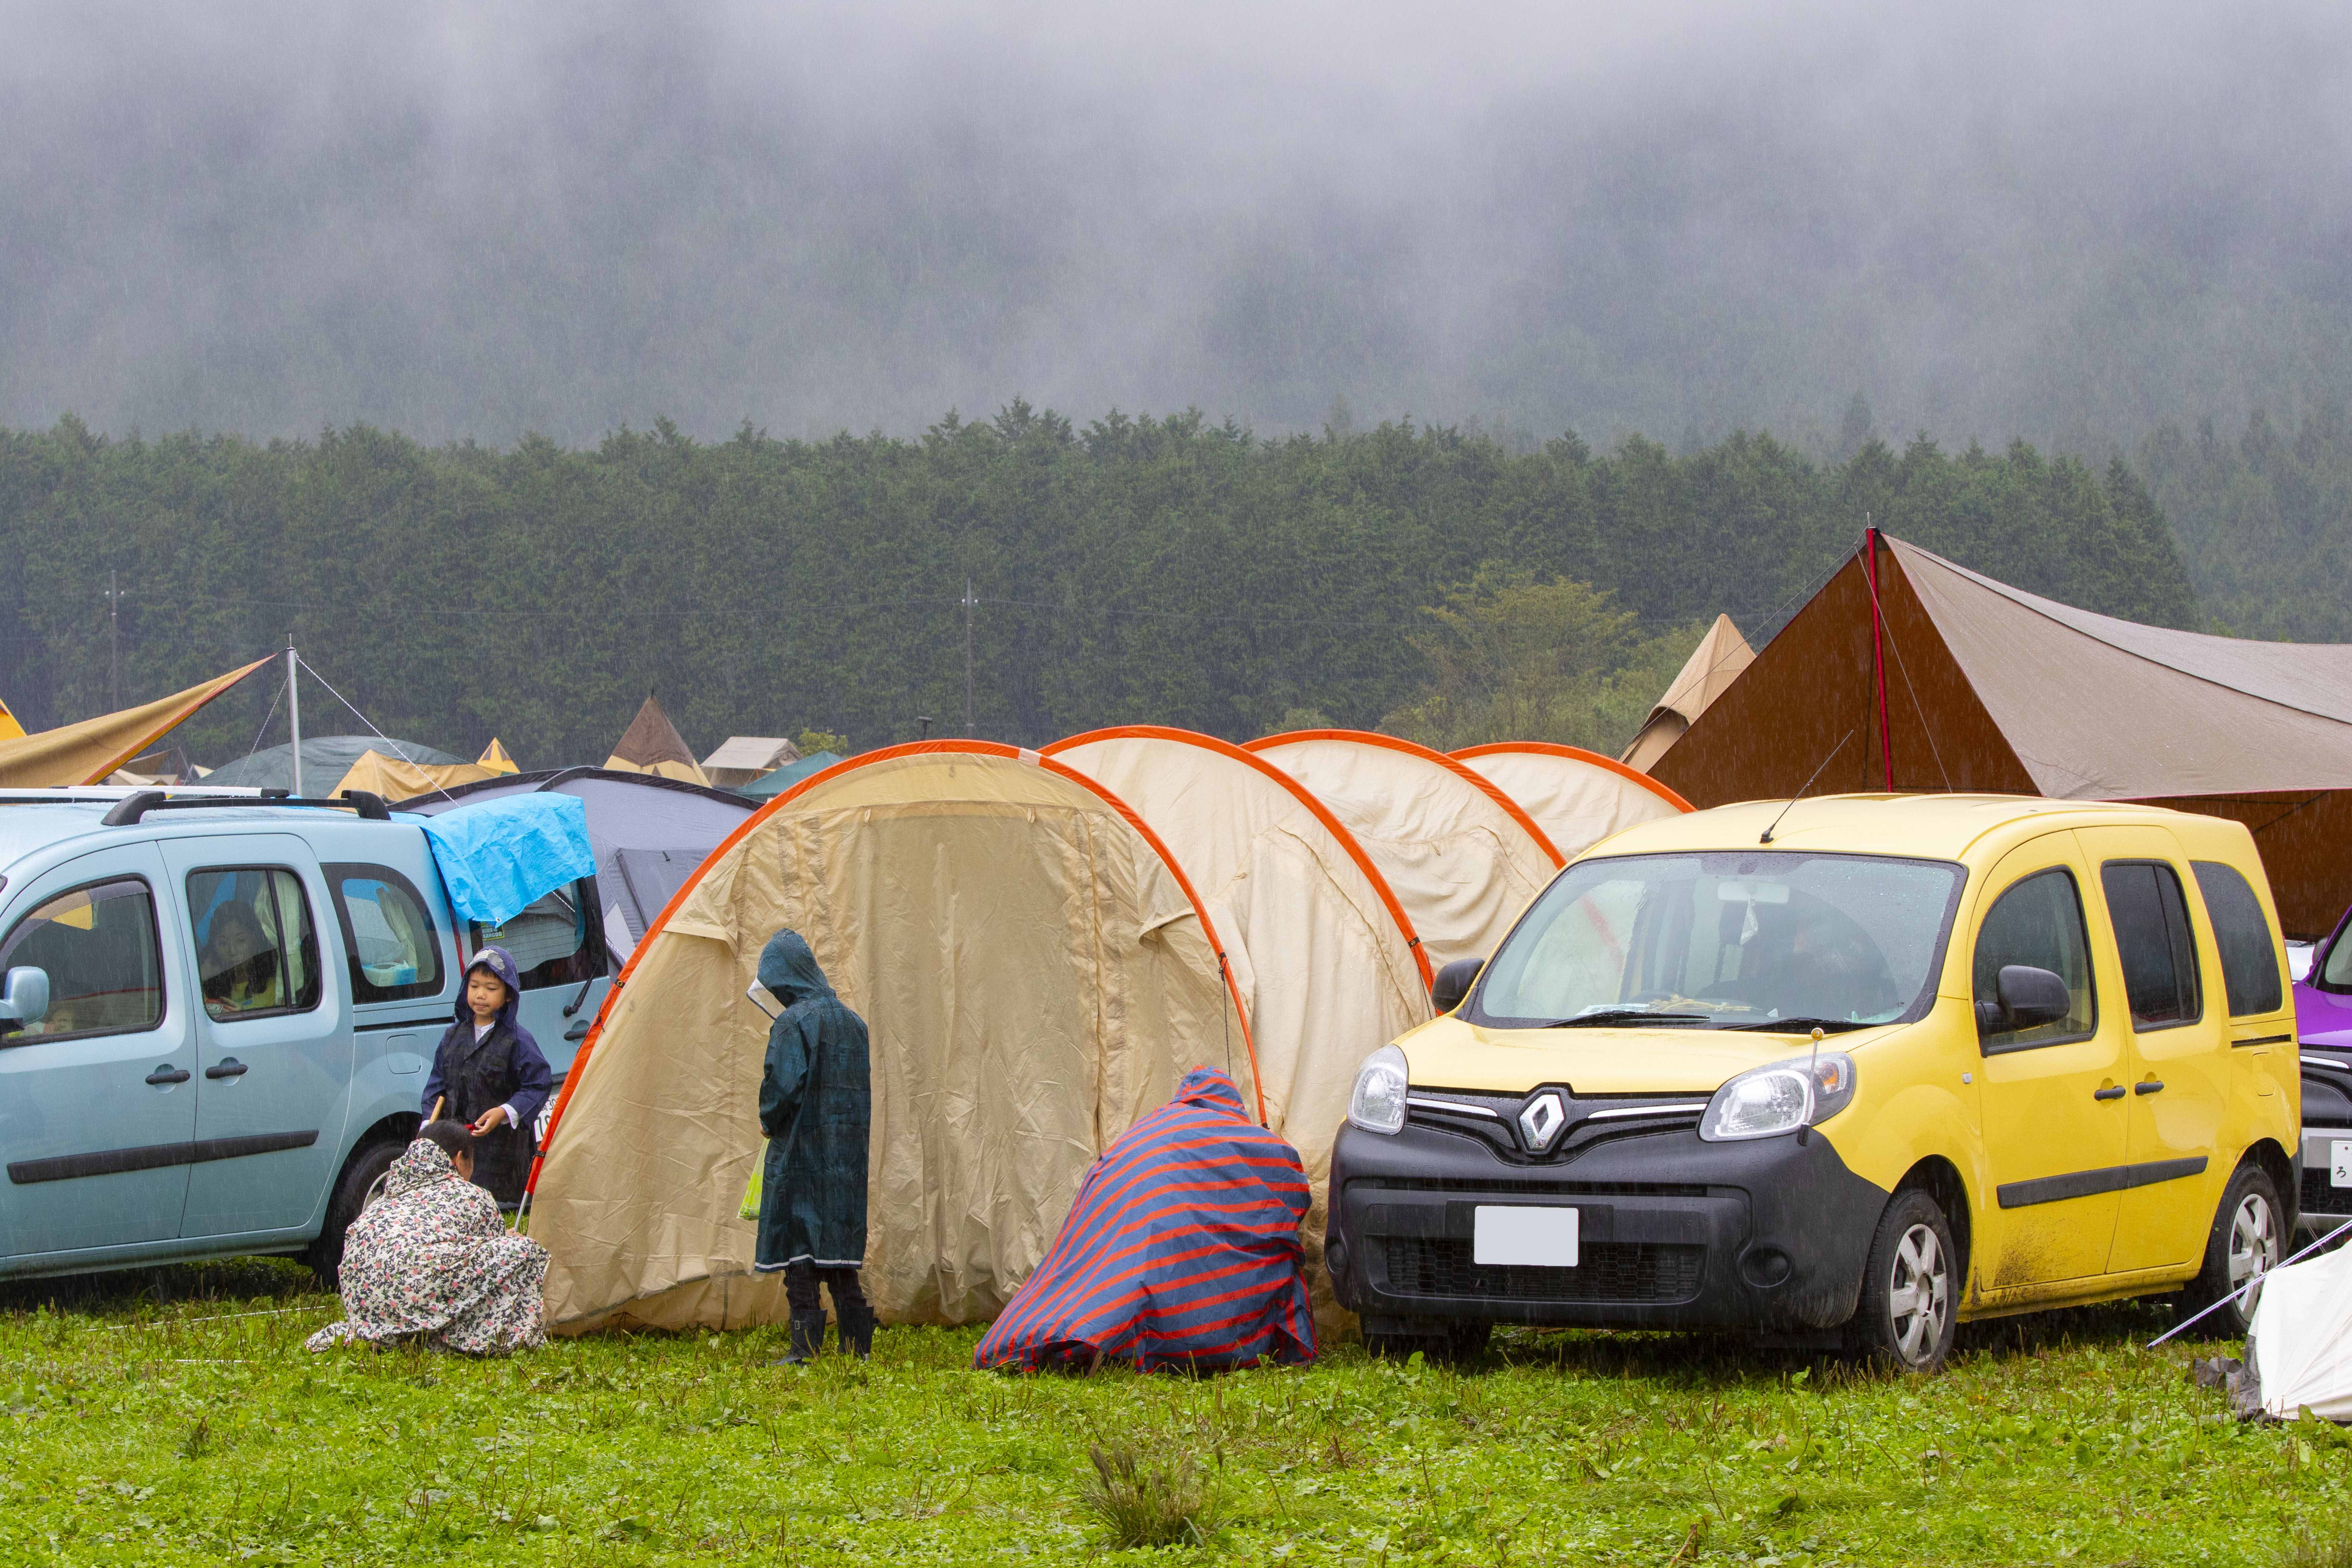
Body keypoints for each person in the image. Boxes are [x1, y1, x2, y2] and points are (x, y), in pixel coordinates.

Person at [974, 1065, 1315, 1372]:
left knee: (1095, 1294)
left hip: (1122, 1248)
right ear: (1231, 1103)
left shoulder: (1141, 1133)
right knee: (1280, 1259)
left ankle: (1048, 1332)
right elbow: (1291, 1187)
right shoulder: (1249, 1138)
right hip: (1171, 1261)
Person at [304, 1121, 549, 1355]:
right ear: (458, 1158)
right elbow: (488, 1256)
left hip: (367, 1308)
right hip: (416, 1288)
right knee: (524, 1249)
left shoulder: (384, 1199)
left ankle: (402, 1334)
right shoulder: (471, 1194)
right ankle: (476, 1337)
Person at [751, 929, 874, 1363]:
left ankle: (804, 1349)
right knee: (838, 1255)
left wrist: (768, 1119)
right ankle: (857, 1344)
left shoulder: (793, 1022)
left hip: (803, 1154)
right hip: (846, 1157)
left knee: (798, 1250)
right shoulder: (853, 1022)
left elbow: (782, 1086)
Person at [420, 946, 551, 1207]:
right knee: (457, 1205)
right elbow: (436, 1089)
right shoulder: (451, 1037)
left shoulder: (518, 1040)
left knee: (494, 1207)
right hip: (457, 1147)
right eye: (474, 986)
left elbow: (538, 1083)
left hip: (502, 1152)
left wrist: (504, 1112)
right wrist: (428, 1126)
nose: (481, 995)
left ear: (508, 995)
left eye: (491, 988)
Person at [200, 901, 282, 1014]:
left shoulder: (276, 984)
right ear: (214, 947)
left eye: (241, 941)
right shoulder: (206, 987)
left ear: (255, 940)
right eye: (223, 943)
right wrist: (203, 976)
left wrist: (241, 1015)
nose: (233, 951)